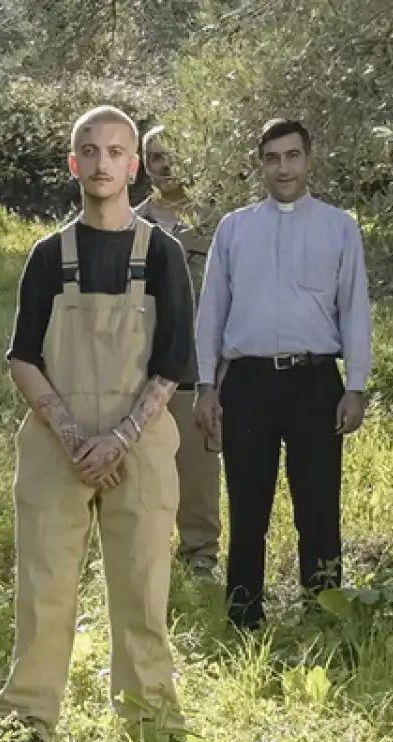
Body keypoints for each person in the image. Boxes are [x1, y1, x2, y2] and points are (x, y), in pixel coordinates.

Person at [0, 105, 195, 742]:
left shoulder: (162, 254)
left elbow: (174, 364)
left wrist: (120, 439)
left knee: (142, 586)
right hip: (58, 443)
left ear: (133, 166)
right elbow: (23, 357)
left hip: (143, 441)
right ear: (73, 163)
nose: (102, 163)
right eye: (89, 150)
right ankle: (29, 722)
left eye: (115, 152)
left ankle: (151, 725)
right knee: (45, 585)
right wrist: (76, 434)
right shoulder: (49, 255)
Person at [193, 119, 373, 630]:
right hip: (248, 383)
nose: (283, 168)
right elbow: (211, 311)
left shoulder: (339, 227)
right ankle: (244, 614)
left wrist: (355, 386)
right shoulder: (235, 228)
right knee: (248, 504)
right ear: (261, 166)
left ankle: (324, 610)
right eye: (272, 158)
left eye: (292, 156)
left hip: (315, 383)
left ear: (309, 160)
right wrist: (206, 385)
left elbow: (354, 308)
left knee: (318, 504)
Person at [135, 125, 223, 574]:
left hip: (194, 368)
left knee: (198, 470)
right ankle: (141, 558)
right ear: (143, 164)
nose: (166, 164)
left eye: (174, 154)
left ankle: (200, 558)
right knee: (137, 471)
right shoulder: (125, 223)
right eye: (155, 157)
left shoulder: (218, 224)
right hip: (134, 370)